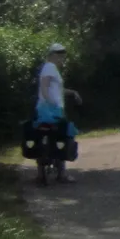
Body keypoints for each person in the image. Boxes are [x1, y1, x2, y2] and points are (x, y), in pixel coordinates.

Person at [35, 43, 83, 182]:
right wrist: (51, 102)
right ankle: (62, 174)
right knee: (63, 136)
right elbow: (44, 87)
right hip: (51, 110)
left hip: (48, 108)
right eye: (61, 57)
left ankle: (40, 173)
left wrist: (73, 92)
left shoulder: (49, 68)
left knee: (44, 136)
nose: (62, 60)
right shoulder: (50, 67)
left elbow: (56, 89)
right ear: (54, 55)